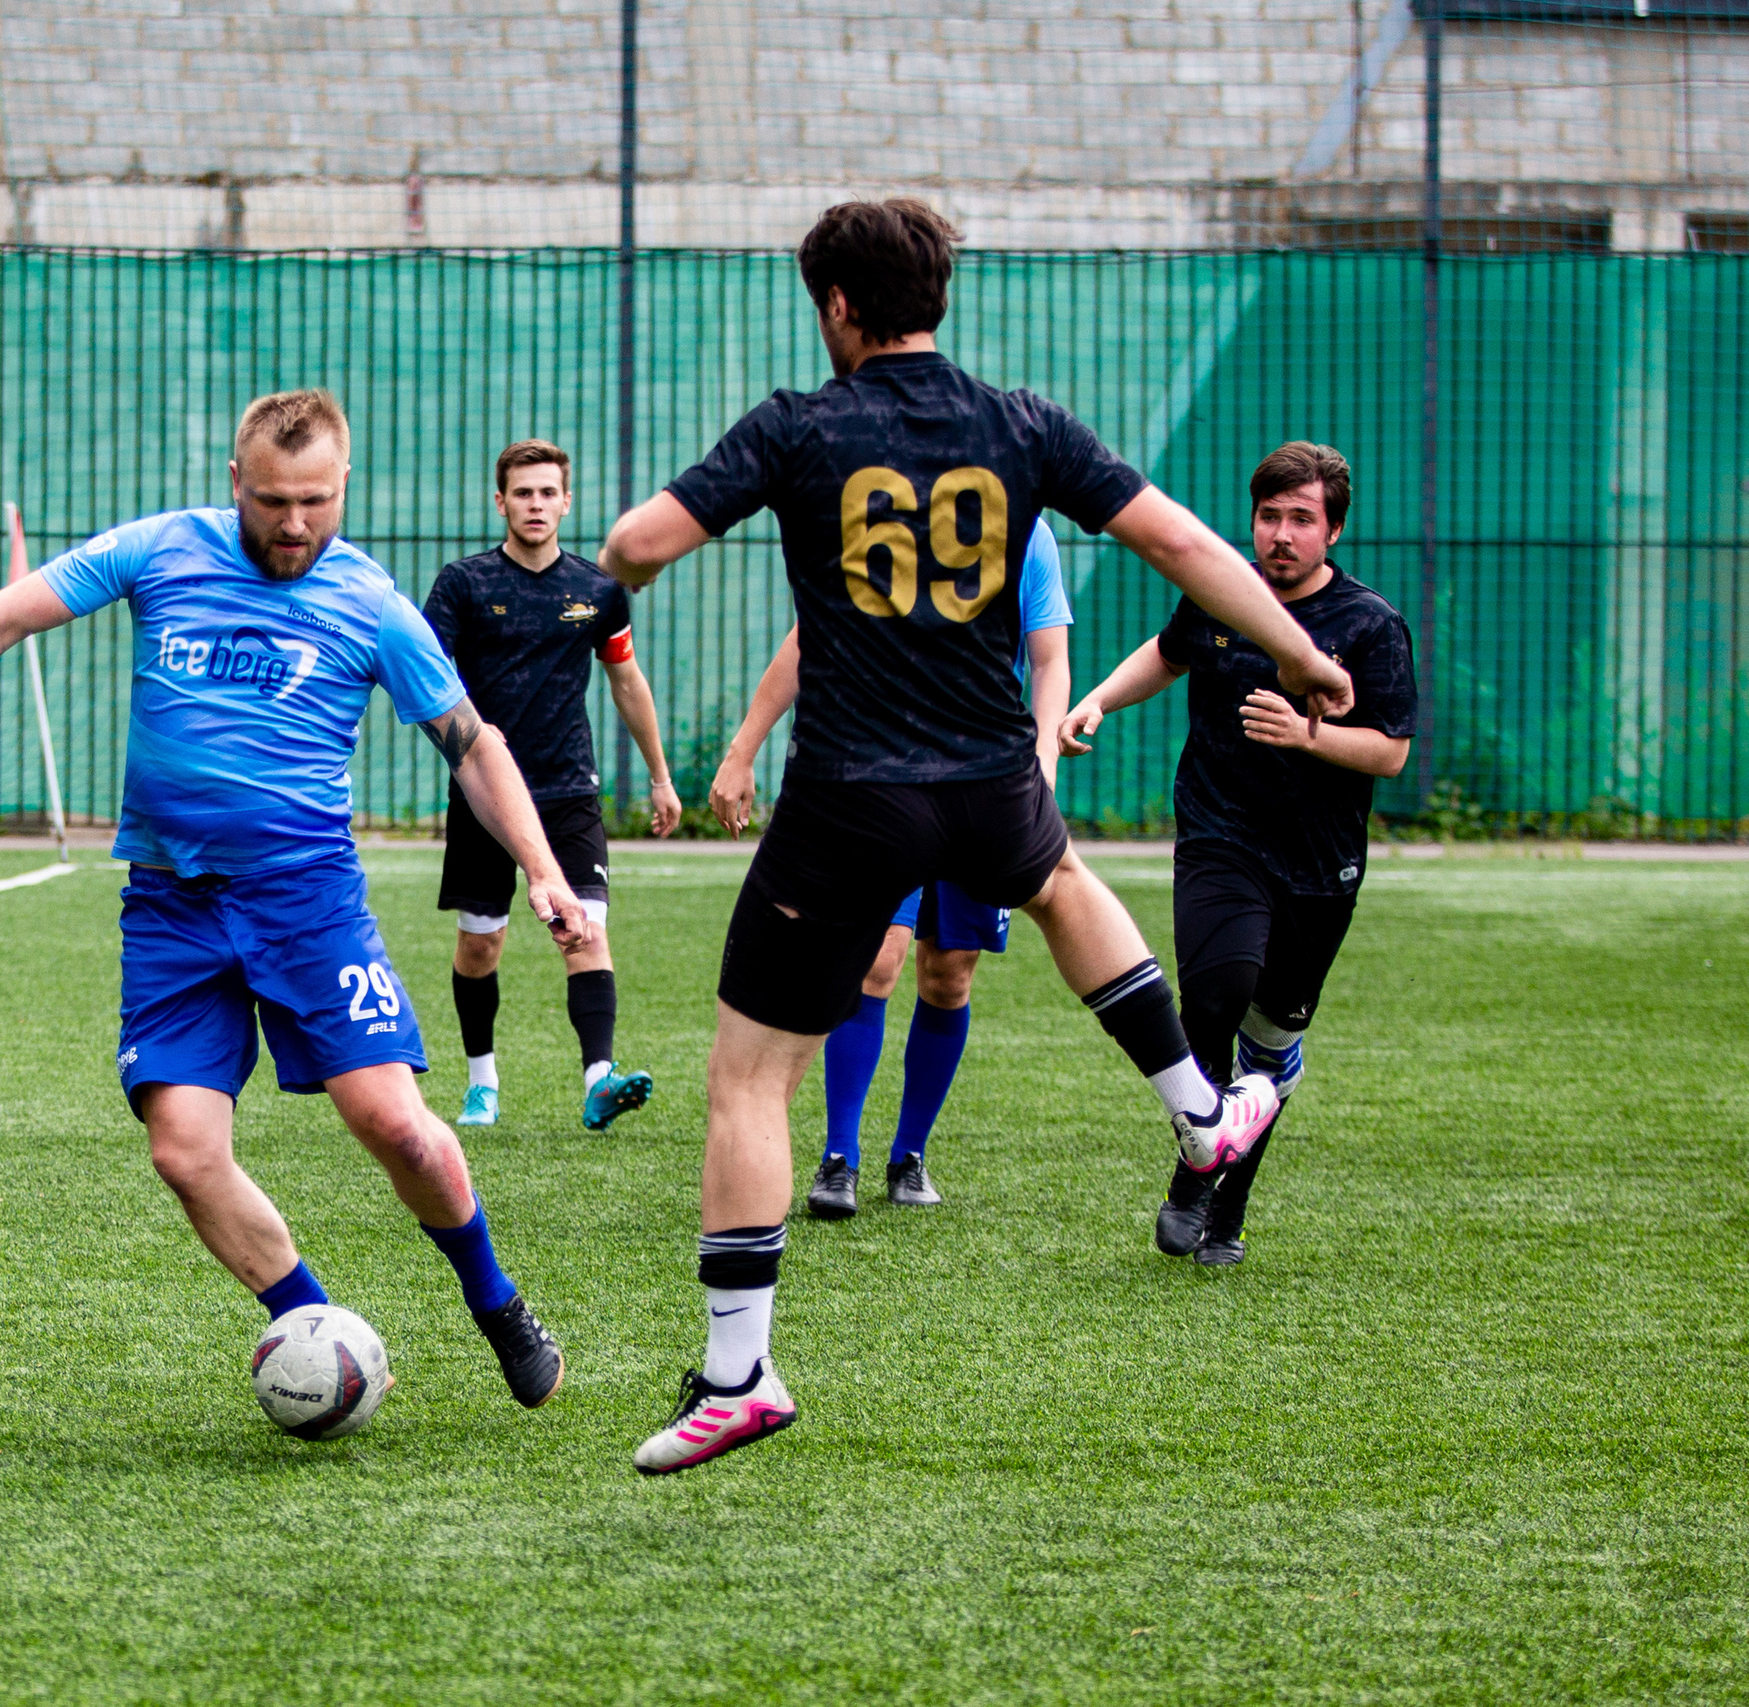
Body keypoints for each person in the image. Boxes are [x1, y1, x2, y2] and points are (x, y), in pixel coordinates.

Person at [596, 198, 1354, 1475]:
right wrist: (1299, 651)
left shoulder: (798, 425)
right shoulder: (1021, 422)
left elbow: (634, 545)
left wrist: (652, 552)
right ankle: (1195, 1108)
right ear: (936, 295)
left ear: (836, 305)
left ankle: (737, 1374)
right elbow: (1175, 540)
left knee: (745, 1079)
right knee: (1058, 878)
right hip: (992, 769)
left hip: (849, 792)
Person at [0, 389, 579, 1413]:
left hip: (306, 901)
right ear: (235, 484)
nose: (294, 524)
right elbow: (3, 614)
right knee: (182, 1152)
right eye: (271, 501)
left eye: (313, 501)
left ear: (343, 485)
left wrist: (542, 867)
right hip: (171, 906)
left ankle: (494, 1302)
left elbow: (471, 743)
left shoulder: (373, 604)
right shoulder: (162, 550)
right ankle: (316, 1330)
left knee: (396, 1127)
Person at [1058, 441, 1413, 1266]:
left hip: (1319, 864)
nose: (1280, 534)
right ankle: (1195, 1170)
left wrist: (1309, 733)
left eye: (1301, 519)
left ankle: (1230, 1203)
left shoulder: (1369, 624)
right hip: (1219, 833)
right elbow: (1168, 653)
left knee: (1272, 1042)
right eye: (1268, 516)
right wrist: (1098, 699)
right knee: (1213, 998)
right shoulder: (1222, 592)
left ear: (1334, 530)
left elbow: (1391, 751)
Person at [708, 522, 1071, 1219]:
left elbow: (1049, 657)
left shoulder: (1027, 528)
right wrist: (743, 746)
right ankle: (838, 1157)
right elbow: (810, 635)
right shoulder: (884, 511)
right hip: (883, 782)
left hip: (984, 780)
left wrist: (1044, 769)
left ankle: (909, 1155)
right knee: (877, 960)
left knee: (950, 969)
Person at [422, 439, 681, 1133]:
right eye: (522, 493)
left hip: (569, 789)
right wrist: (468, 745)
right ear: (499, 500)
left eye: (547, 493)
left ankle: (599, 1078)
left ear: (567, 502)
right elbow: (425, 684)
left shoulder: (597, 591)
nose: (535, 504)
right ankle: (483, 1082)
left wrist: (660, 777)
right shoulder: (463, 586)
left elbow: (626, 680)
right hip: (483, 793)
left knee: (584, 930)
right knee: (482, 943)